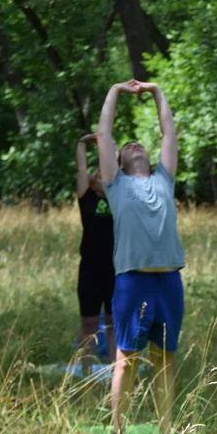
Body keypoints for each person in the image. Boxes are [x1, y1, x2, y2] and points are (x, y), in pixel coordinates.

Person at [96, 80, 185, 434]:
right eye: (127, 146)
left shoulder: (164, 178)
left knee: (165, 360)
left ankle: (167, 433)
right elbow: (104, 132)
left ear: (149, 158)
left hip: (169, 282)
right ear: (117, 162)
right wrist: (116, 89)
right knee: (127, 358)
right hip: (133, 281)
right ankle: (118, 431)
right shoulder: (115, 184)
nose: (134, 145)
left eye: (139, 144)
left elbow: (169, 131)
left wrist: (156, 90)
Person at [74, 132, 116, 372]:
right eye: (97, 174)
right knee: (89, 323)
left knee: (113, 323)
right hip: (90, 270)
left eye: (105, 173)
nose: (101, 176)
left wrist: (109, 144)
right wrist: (82, 143)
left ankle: (114, 371)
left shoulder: (119, 197)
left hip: (114, 268)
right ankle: (85, 371)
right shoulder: (86, 197)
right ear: (91, 180)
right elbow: (81, 169)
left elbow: (117, 164)